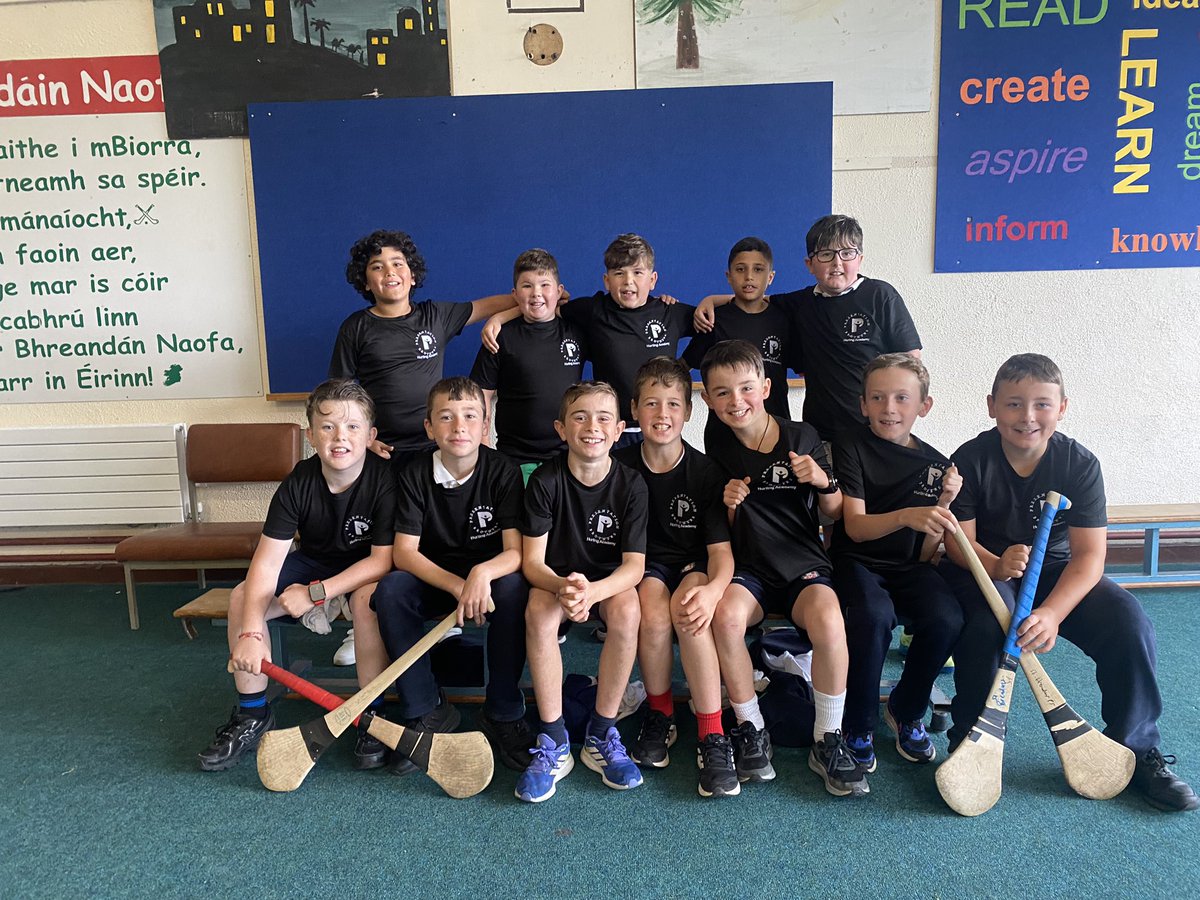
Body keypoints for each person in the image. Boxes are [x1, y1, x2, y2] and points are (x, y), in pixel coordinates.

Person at [942, 353, 1198, 813]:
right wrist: (998, 564)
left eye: (1042, 404)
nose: (1028, 417)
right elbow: (960, 545)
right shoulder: (971, 459)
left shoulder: (1079, 464)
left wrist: (1052, 613)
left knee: (1129, 622)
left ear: (1062, 408)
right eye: (1014, 404)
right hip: (987, 571)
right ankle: (968, 744)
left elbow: (1090, 558)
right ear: (991, 406)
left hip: (1058, 573)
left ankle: (1136, 751)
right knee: (987, 630)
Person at [200, 379, 396, 772]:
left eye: (353, 427)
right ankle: (252, 714)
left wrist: (316, 594)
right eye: (327, 427)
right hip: (314, 562)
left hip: (361, 570)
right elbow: (267, 563)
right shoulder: (299, 482)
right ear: (310, 435)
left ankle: (371, 718)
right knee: (242, 599)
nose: (340, 437)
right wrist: (251, 633)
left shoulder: (385, 481)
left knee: (367, 602)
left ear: (371, 435)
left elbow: (381, 561)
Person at [699, 340, 865, 796]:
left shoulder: (802, 436)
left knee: (830, 621)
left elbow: (833, 512)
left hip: (802, 566)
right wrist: (731, 505)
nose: (737, 401)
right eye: (723, 393)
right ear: (709, 400)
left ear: (767, 387)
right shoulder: (715, 445)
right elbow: (722, 525)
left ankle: (827, 737)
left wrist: (822, 479)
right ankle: (750, 728)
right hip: (750, 568)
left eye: (746, 388)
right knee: (725, 617)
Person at [369, 377, 532, 774]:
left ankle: (503, 711)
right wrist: (459, 586)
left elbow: (515, 553)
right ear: (429, 427)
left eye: (469, 416)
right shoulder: (413, 473)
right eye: (446, 417)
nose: (459, 427)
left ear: (485, 423)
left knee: (515, 588)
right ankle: (425, 709)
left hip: (489, 584)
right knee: (391, 590)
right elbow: (405, 554)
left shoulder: (503, 471)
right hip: (437, 579)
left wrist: (480, 575)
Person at [831, 353, 964, 785]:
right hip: (856, 560)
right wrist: (908, 514)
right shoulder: (849, 445)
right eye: (879, 398)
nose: (890, 408)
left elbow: (927, 555)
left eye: (902, 398)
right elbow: (854, 526)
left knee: (947, 617)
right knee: (872, 617)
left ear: (923, 406)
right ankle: (857, 723)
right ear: (863, 404)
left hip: (908, 566)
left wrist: (941, 506)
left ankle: (905, 710)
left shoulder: (937, 465)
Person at [517, 382, 649, 802]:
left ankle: (601, 732)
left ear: (619, 430)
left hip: (606, 582)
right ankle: (553, 739)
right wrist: (564, 587)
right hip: (556, 581)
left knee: (628, 611)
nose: (592, 426)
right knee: (538, 612)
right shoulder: (544, 480)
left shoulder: (632, 485)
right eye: (579, 417)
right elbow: (532, 563)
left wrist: (592, 592)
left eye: (603, 418)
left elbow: (634, 567)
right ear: (561, 428)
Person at [614, 357, 738, 797]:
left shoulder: (705, 473)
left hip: (693, 564)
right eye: (651, 403)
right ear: (633, 410)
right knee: (653, 611)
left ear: (688, 411)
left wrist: (713, 591)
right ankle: (661, 714)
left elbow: (721, 555)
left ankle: (712, 733)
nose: (661, 415)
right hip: (642, 564)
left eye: (672, 404)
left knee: (690, 611)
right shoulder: (618, 465)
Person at [694, 215, 920, 442]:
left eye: (847, 253)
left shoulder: (880, 296)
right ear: (810, 264)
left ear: (860, 258)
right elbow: (755, 297)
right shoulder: (802, 303)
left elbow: (911, 363)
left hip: (874, 429)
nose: (837, 263)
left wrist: (898, 416)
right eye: (826, 254)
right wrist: (713, 300)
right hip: (821, 432)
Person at [485, 234, 695, 448]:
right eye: (619, 273)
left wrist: (682, 366)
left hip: (660, 426)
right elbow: (544, 307)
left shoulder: (671, 313)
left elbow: (715, 324)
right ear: (606, 280)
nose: (628, 281)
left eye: (638, 272)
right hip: (610, 432)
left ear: (652, 280)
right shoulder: (593, 310)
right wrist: (500, 317)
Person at [328, 229, 515, 458]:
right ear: (365, 282)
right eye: (377, 267)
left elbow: (497, 304)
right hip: (383, 450)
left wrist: (508, 314)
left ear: (413, 275)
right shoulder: (355, 327)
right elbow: (339, 395)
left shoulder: (435, 316)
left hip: (436, 447)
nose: (389, 272)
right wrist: (364, 439)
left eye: (398, 264)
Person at [469, 248, 586, 482]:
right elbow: (480, 397)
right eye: (527, 286)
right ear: (515, 294)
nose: (536, 293)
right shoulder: (499, 337)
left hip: (568, 458)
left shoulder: (577, 331)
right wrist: (484, 452)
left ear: (559, 291)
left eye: (545, 285)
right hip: (514, 460)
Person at [682, 237, 794, 445]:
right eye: (740, 270)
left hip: (774, 430)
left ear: (770, 277)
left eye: (758, 270)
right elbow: (683, 367)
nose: (749, 277)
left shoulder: (784, 320)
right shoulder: (715, 319)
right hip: (724, 435)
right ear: (729, 276)